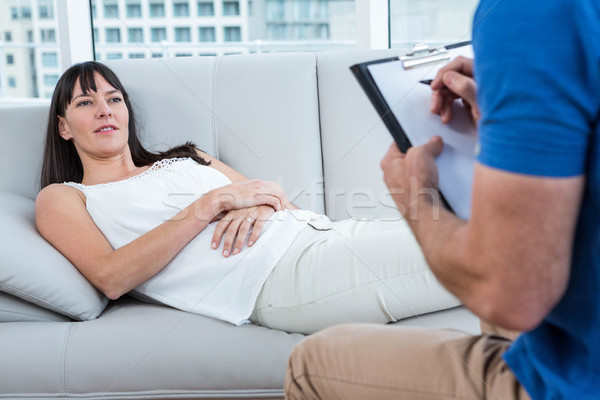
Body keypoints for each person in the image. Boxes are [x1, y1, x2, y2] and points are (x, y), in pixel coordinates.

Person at [284, 0, 599, 398]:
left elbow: (509, 297)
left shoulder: (533, 13)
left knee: (310, 365)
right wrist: (518, 116)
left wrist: (415, 199)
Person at [35, 60, 460, 335]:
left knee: (469, 227)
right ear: (64, 127)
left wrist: (256, 202)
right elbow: (111, 277)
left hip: (323, 234)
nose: (106, 110)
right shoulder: (64, 197)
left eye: (114, 99)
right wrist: (211, 203)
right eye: (86, 102)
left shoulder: (188, 157)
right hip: (277, 278)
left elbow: (274, 196)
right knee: (487, 250)